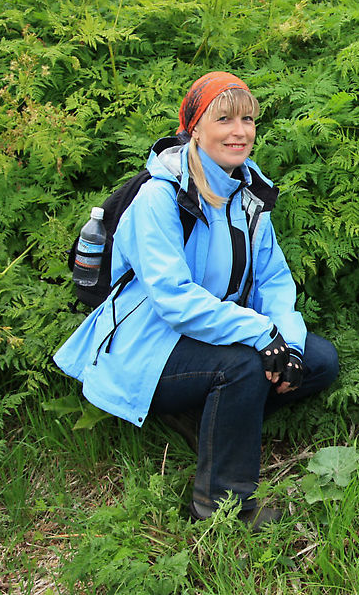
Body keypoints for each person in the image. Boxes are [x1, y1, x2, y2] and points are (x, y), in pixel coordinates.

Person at [54, 72, 339, 530]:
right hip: (147, 345)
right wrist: (260, 335)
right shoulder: (159, 196)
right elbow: (173, 299)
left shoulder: (248, 194)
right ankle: (222, 506)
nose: (239, 131)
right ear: (195, 128)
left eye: (247, 119)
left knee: (319, 360)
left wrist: (288, 343)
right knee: (244, 366)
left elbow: (275, 280)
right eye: (224, 118)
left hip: (211, 335)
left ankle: (210, 417)